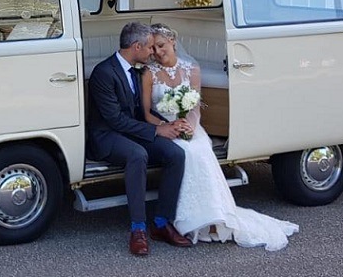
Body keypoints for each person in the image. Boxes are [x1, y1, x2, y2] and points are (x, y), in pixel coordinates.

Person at [141, 23, 299, 251]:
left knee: (200, 150)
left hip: (188, 126)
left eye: (161, 45)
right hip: (163, 127)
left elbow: (195, 106)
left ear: (173, 41)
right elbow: (146, 113)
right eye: (153, 48)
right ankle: (192, 221)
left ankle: (216, 217)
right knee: (186, 153)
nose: (157, 51)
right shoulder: (149, 73)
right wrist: (167, 125)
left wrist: (191, 127)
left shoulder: (191, 69)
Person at [87, 22, 193, 256]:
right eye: (149, 48)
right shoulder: (104, 73)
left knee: (176, 154)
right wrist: (156, 132)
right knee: (138, 154)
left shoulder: (136, 70)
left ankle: (162, 223)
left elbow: (139, 112)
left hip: (132, 131)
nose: (152, 53)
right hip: (107, 136)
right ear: (136, 47)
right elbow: (115, 120)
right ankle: (138, 229)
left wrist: (167, 125)